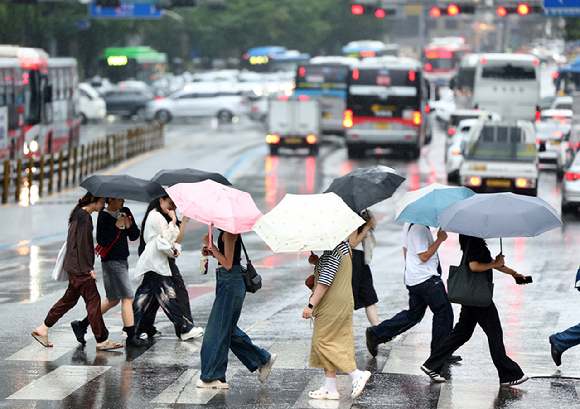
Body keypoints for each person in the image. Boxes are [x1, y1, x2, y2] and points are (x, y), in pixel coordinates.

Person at [420, 235, 529, 387]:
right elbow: (474, 266)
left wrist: (513, 273)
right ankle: (509, 374)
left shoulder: (474, 242)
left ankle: (431, 365)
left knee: (462, 333)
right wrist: (494, 264)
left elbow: (490, 263)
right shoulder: (474, 242)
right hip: (479, 298)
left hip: (473, 296)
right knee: (494, 334)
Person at [32, 192, 122, 351]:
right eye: (102, 200)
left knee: (69, 300)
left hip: (74, 266)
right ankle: (101, 339)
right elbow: (82, 246)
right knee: (93, 301)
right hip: (80, 268)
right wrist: (89, 269)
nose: (103, 204)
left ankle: (43, 328)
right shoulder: (84, 218)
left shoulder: (80, 214)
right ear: (93, 200)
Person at [196, 229, 276, 389]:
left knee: (216, 330)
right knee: (227, 329)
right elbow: (228, 258)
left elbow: (227, 263)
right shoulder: (226, 232)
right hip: (227, 281)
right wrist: (212, 252)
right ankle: (262, 359)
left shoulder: (230, 232)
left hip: (230, 282)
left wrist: (211, 245)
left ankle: (213, 376)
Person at [366, 223, 458, 360]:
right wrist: (440, 239)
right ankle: (439, 353)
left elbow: (406, 248)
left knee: (414, 315)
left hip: (416, 277)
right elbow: (424, 256)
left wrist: (410, 269)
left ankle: (378, 333)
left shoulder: (411, 225)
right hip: (426, 279)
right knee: (444, 313)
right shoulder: (419, 228)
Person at [70, 198, 149, 348]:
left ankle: (82, 324)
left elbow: (134, 235)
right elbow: (102, 241)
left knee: (113, 300)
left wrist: (128, 225)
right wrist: (116, 226)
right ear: (110, 199)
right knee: (127, 297)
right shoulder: (104, 216)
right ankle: (131, 336)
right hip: (111, 261)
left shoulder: (125, 212)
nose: (123, 201)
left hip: (122, 259)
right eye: (119, 198)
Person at [304, 240, 371, 400]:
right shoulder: (343, 246)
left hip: (331, 304)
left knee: (322, 342)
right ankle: (330, 387)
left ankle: (356, 375)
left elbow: (325, 282)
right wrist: (318, 261)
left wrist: (311, 304)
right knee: (334, 341)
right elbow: (334, 271)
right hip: (341, 302)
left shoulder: (333, 250)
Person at [132, 195, 203, 341]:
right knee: (168, 295)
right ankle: (184, 328)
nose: (172, 208)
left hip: (156, 260)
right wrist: (175, 221)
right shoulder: (156, 216)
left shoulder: (157, 215)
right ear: (161, 200)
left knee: (146, 294)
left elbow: (170, 238)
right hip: (156, 261)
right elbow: (166, 238)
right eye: (170, 203)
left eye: (174, 206)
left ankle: (133, 328)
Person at [349, 211, 379, 326]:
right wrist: (367, 226)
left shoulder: (356, 213)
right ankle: (377, 330)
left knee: (369, 297)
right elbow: (353, 242)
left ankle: (377, 330)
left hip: (358, 259)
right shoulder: (351, 215)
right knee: (352, 297)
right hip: (352, 259)